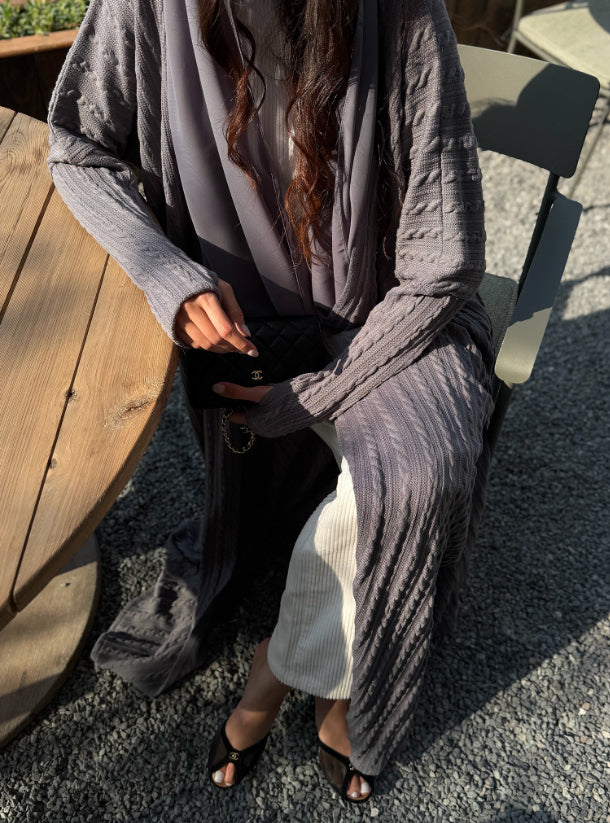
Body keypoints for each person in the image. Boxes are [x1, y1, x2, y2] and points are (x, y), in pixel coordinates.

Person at [47, 0, 494, 804]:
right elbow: (78, 147)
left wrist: (312, 393)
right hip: (252, 326)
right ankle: (328, 675)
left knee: (421, 475)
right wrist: (165, 274)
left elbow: (444, 261)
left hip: (397, 314)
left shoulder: (403, 12)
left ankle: (278, 668)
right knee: (367, 493)